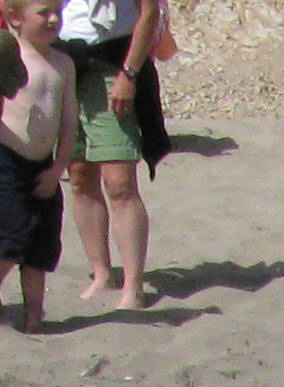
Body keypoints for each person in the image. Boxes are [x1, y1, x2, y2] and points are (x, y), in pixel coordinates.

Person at [59, 0, 168, 309]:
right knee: (79, 176)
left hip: (112, 63)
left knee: (119, 181)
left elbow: (149, 11)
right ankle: (101, 273)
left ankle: (133, 285)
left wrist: (129, 73)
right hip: (65, 62)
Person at [0, 0, 76, 331]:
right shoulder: (7, 58)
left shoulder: (63, 64)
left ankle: (34, 313)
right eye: (44, 12)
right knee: (10, 239)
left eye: (57, 13)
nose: (53, 19)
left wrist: (58, 168)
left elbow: (68, 123)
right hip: (4, 160)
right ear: (15, 18)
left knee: (41, 246)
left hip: (44, 166)